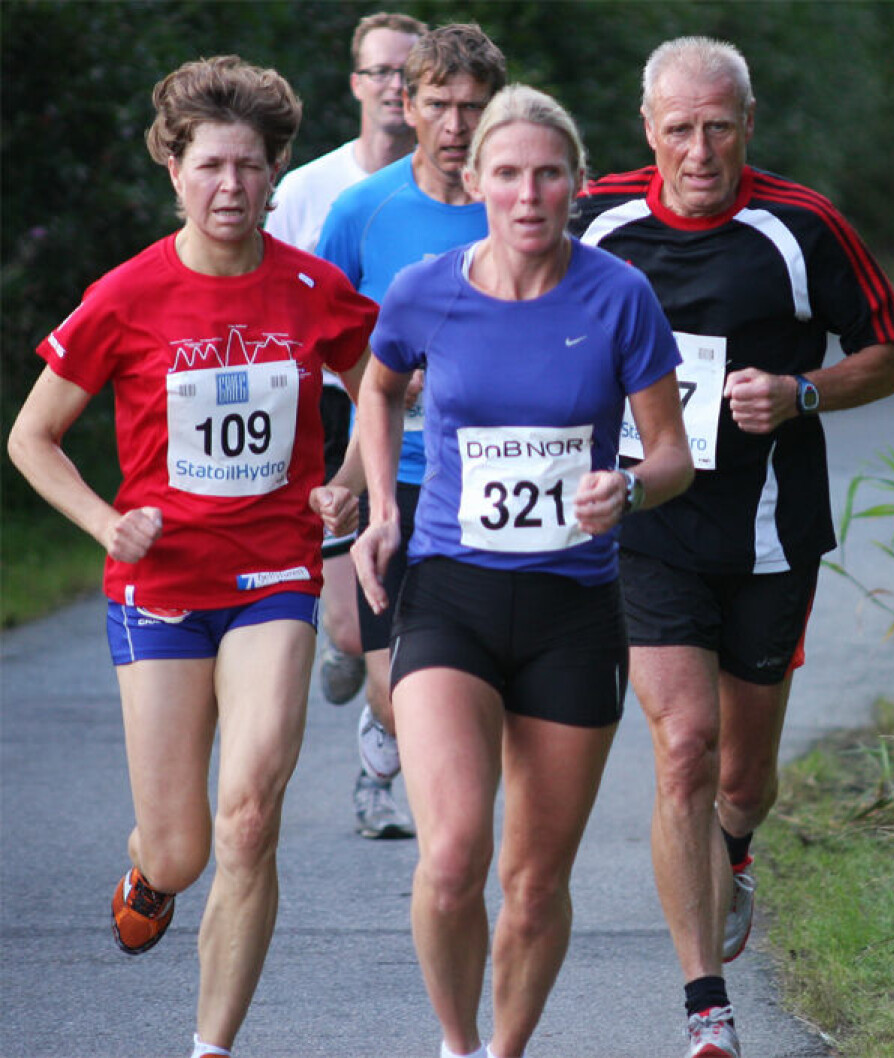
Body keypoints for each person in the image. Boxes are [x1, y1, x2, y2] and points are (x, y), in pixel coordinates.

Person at [6, 56, 377, 1058]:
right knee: (181, 849)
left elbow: (381, 388)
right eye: (210, 165)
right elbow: (31, 437)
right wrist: (104, 524)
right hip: (162, 587)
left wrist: (348, 477)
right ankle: (151, 869)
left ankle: (211, 1045)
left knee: (249, 817)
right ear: (174, 169)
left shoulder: (312, 287)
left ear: (275, 170)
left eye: (250, 166)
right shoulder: (126, 295)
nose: (230, 187)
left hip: (273, 575)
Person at [571, 36, 894, 1058]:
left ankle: (737, 847)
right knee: (683, 747)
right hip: (650, 525)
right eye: (679, 128)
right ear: (648, 129)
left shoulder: (803, 226)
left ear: (748, 125)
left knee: (743, 779)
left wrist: (802, 391)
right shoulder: (595, 219)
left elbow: (886, 359)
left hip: (767, 532)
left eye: (719, 126)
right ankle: (705, 1005)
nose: (700, 149)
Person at [352, 84, 694, 1058]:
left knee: (535, 884)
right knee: (453, 857)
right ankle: (458, 1044)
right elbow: (378, 386)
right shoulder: (425, 289)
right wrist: (382, 508)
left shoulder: (617, 295)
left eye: (548, 174)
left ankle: (505, 1049)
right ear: (476, 181)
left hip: (573, 610)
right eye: (508, 173)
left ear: (577, 183)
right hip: (450, 593)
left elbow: (672, 456)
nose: (529, 193)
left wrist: (628, 489)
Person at [316, 21, 506, 840]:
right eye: (439, 104)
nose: (456, 125)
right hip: (395, 469)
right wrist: (380, 374)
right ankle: (384, 719)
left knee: (468, 675)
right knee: (393, 685)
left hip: (493, 473)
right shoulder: (365, 209)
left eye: (474, 106)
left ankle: (452, 840)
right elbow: (317, 334)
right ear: (408, 102)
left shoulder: (518, 203)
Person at [266, 11, 426, 717]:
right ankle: (354, 652)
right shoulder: (311, 190)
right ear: (356, 82)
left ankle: (392, 726)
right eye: (380, 71)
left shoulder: (466, 189)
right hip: (334, 409)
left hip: (432, 412)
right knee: (353, 626)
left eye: (408, 73)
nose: (394, 86)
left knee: (406, 611)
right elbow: (273, 304)